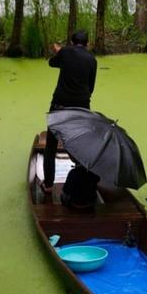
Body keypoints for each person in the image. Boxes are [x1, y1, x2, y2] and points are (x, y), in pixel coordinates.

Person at [43, 30, 97, 192]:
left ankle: (48, 185)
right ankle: (82, 182)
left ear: (72, 42)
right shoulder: (92, 60)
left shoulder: (65, 51)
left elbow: (52, 63)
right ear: (87, 44)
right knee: (80, 145)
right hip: (82, 108)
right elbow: (91, 87)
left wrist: (57, 51)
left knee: (51, 147)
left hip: (60, 105)